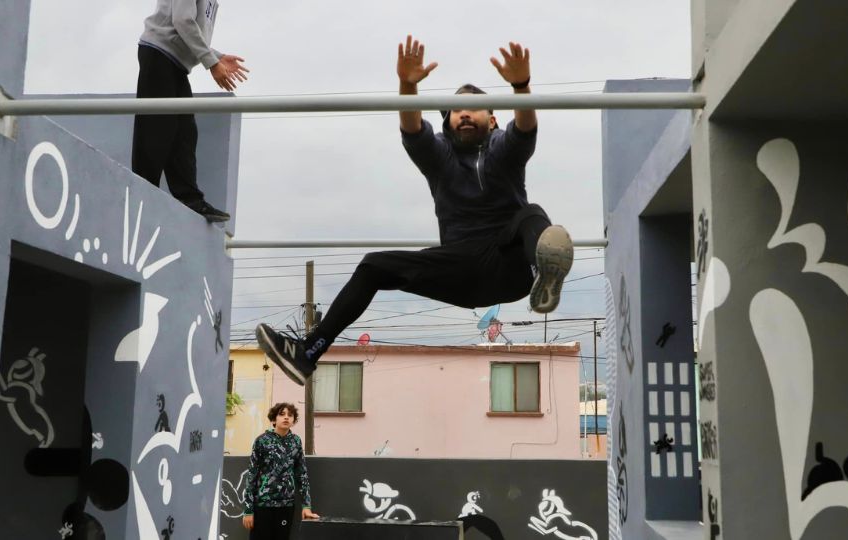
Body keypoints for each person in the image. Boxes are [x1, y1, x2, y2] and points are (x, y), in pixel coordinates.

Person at [255, 35, 573, 385]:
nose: (465, 113)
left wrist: (520, 86)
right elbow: (413, 130)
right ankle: (309, 352)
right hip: (460, 269)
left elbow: (525, 128)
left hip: (512, 267)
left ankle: (546, 271)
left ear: (494, 120)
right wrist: (408, 85)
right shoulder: (440, 156)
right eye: (455, 110)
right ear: (446, 122)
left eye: (476, 109)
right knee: (373, 266)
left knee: (532, 214)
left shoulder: (503, 150)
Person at [132, 0, 249, 223]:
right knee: (157, 127)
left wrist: (216, 56)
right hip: (159, 52)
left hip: (175, 61)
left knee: (185, 132)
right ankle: (142, 192)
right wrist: (211, 63)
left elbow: (189, 31)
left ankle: (190, 199)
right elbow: (182, 21)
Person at [242, 402, 319, 539]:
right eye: (282, 414)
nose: (286, 418)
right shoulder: (262, 441)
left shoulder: (296, 442)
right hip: (263, 505)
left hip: (286, 505)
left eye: (290, 415)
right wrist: (248, 511)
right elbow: (252, 475)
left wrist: (306, 506)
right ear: (273, 419)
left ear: (293, 421)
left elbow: (302, 474)